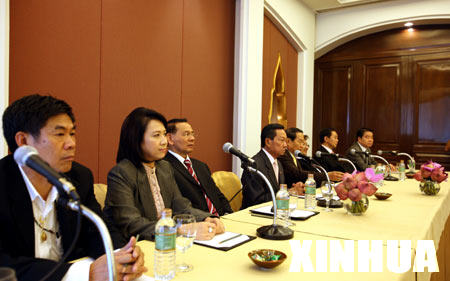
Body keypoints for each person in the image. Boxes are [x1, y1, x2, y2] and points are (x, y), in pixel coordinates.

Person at [0, 94, 146, 281]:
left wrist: (122, 256)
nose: (71, 144)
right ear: (23, 141)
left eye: (72, 133)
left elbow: (97, 230)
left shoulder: (79, 177)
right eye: (60, 134)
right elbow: (4, 264)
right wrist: (86, 273)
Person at [104, 108, 225, 241]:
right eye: (156, 135)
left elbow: (182, 207)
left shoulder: (164, 167)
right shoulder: (122, 173)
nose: (164, 141)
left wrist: (208, 218)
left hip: (167, 243)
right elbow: (132, 224)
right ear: (136, 139)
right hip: (137, 245)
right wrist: (180, 230)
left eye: (164, 134)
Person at [164, 118, 232, 216]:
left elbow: (218, 195)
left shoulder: (201, 166)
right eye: (186, 134)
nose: (192, 138)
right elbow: (178, 206)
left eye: (192, 134)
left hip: (222, 220)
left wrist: (229, 214)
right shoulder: (164, 167)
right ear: (170, 139)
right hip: (197, 222)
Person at [240, 124, 304, 209]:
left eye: (286, 141)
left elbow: (275, 191)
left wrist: (293, 189)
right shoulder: (254, 165)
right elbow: (257, 200)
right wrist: (288, 192)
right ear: (268, 142)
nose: (285, 145)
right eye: (282, 140)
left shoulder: (278, 163)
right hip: (254, 216)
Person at [278, 128, 343, 188]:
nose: (301, 146)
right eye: (300, 142)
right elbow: (297, 174)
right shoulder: (283, 155)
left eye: (303, 143)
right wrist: (327, 175)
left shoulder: (293, 156)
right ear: (288, 141)